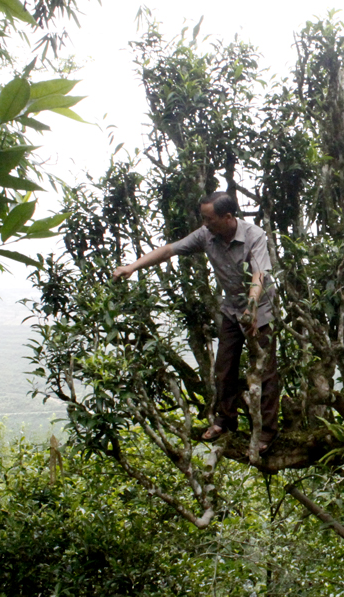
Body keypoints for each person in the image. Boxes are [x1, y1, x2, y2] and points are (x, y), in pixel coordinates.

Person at [111, 191, 280, 450]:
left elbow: (259, 276)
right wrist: (132, 267)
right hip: (232, 310)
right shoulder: (206, 235)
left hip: (260, 310)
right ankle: (225, 421)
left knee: (265, 372)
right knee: (224, 368)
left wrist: (252, 309)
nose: (205, 223)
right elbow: (169, 250)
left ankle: (267, 433)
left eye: (209, 218)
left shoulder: (253, 235)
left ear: (227, 217)